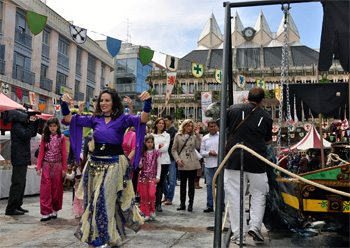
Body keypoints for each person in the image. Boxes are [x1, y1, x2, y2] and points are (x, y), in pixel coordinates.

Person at [61, 88, 151, 247]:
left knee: (102, 200)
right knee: (94, 203)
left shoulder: (123, 119)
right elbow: (69, 118)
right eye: (101, 100)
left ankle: (104, 235)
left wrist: (148, 103)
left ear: (114, 102)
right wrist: (63, 103)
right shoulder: (94, 119)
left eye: (107, 100)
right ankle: (98, 236)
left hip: (114, 166)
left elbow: (143, 119)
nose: (103, 103)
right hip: (94, 165)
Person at [224, 87, 272, 245]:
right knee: (259, 192)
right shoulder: (266, 116)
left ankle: (239, 234)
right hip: (256, 157)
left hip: (234, 155)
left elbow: (222, 126)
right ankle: (256, 226)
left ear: (247, 97)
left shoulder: (233, 109)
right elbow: (267, 141)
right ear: (262, 100)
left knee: (235, 195)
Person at [5, 114, 37, 216]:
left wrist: (34, 124)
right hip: (19, 158)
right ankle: (11, 208)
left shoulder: (21, 125)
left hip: (22, 158)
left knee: (21, 183)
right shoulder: (17, 125)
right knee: (18, 183)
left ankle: (17, 205)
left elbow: (32, 134)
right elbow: (26, 135)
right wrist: (31, 123)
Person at [36, 117, 67, 221]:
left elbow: (64, 154)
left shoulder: (62, 137)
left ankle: (54, 210)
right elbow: (41, 153)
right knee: (45, 189)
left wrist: (64, 169)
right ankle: (45, 212)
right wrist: (38, 167)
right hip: (46, 166)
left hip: (58, 166)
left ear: (57, 126)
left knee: (57, 189)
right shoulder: (44, 137)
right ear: (48, 127)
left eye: (54, 126)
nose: (52, 128)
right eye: (50, 126)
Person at [171, 119, 201, 212]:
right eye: (188, 126)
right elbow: (174, 149)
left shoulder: (193, 136)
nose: (190, 128)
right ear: (184, 126)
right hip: (182, 161)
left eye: (191, 126)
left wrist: (198, 135)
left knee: (191, 184)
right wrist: (177, 160)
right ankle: (182, 203)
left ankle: (191, 203)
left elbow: (198, 146)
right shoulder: (178, 135)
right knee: (183, 184)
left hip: (192, 160)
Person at [138, 135, 162, 221]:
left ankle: (152, 210)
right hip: (143, 177)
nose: (150, 144)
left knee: (151, 195)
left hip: (152, 177)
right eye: (148, 142)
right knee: (144, 196)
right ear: (145, 143)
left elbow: (159, 165)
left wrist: (158, 176)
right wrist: (140, 165)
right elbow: (140, 163)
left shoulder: (156, 153)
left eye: (151, 142)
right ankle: (146, 213)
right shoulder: (142, 153)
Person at [200, 120, 219, 213]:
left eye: (214, 126)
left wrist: (218, 154)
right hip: (208, 164)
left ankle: (220, 205)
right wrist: (209, 153)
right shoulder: (205, 138)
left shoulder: (221, 136)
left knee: (220, 186)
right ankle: (210, 205)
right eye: (211, 126)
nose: (213, 128)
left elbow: (225, 149)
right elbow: (202, 152)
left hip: (219, 164)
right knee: (209, 185)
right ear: (208, 128)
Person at [152, 118, 170, 212]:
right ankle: (152, 202)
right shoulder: (152, 135)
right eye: (159, 123)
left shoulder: (167, 135)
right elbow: (149, 146)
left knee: (160, 182)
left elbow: (165, 148)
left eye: (163, 123)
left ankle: (158, 203)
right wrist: (159, 146)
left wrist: (156, 147)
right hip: (153, 161)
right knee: (153, 182)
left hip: (164, 161)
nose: (161, 125)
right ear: (156, 124)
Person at [162, 115, 178, 205]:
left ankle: (169, 197)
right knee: (162, 178)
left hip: (172, 157)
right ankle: (166, 194)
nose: (165, 122)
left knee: (172, 179)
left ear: (170, 121)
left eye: (166, 120)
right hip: (163, 157)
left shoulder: (175, 132)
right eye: (164, 121)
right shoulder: (163, 131)